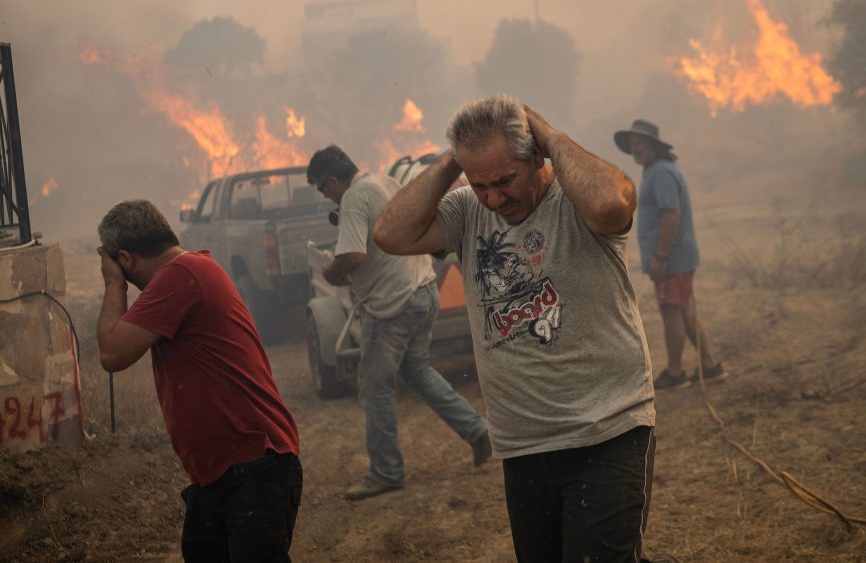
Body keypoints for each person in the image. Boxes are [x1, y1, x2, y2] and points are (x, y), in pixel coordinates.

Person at [373, 95, 662, 563]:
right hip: (522, 444)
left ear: (536, 157)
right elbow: (391, 234)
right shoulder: (468, 211)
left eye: (505, 180)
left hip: (608, 429)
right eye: (480, 183)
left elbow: (612, 204)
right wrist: (454, 160)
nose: (494, 198)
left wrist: (548, 133)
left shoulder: (578, 197)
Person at [95, 200, 302, 563]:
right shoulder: (190, 270)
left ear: (125, 258)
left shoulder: (180, 276)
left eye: (119, 267)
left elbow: (112, 354)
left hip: (252, 468)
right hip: (224, 473)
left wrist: (114, 285)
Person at [306, 145, 491, 501]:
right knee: (419, 370)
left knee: (376, 387)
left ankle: (386, 471)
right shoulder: (384, 181)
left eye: (321, 187)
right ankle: (477, 430)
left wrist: (331, 271)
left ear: (332, 180)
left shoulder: (353, 199)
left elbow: (352, 255)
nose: (324, 195)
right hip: (422, 291)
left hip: (391, 305)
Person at [614, 119, 724, 390]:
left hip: (672, 259)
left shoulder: (661, 173)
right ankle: (710, 366)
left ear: (653, 145)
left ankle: (675, 373)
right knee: (684, 312)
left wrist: (661, 256)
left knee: (670, 312)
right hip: (676, 257)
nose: (635, 147)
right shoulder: (656, 171)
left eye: (640, 141)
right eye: (632, 142)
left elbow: (671, 215)